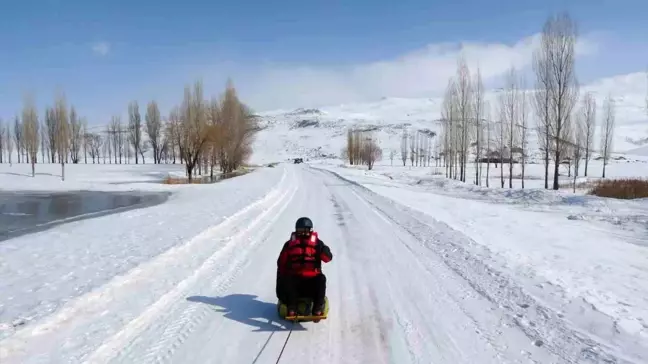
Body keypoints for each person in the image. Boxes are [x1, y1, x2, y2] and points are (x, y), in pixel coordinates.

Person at [276, 217, 332, 317]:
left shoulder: (317, 244)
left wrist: (325, 251)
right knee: (288, 279)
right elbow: (281, 265)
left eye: (305, 231)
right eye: (300, 231)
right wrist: (280, 286)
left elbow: (327, 259)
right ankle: (292, 308)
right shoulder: (289, 245)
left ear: (310, 231)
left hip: (312, 281)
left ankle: (317, 309)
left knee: (321, 279)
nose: (302, 233)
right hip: (296, 281)